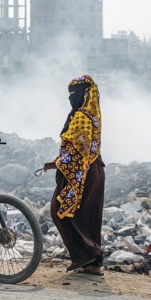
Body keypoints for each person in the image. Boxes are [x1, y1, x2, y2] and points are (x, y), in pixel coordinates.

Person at [44, 74, 106, 276]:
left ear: (85, 94)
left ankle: (85, 255)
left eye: (75, 93)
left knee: (62, 211)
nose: (71, 97)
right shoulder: (93, 115)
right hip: (95, 170)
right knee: (89, 217)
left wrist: (56, 164)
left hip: (81, 174)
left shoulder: (80, 116)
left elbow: (77, 152)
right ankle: (93, 263)